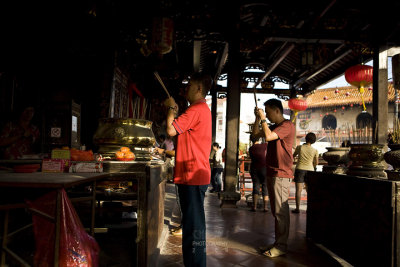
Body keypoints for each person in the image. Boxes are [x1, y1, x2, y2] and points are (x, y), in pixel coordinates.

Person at [163, 72, 212, 267]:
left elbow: (170, 130)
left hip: (193, 174)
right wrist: (174, 110)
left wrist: (170, 109)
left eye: (190, 85)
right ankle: (195, 263)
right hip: (195, 173)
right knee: (193, 225)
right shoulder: (201, 109)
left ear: (199, 88)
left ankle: (196, 264)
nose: (186, 89)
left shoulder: (196, 109)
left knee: (193, 227)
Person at [252, 98, 295, 258]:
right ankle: (278, 243)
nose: (268, 116)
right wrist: (258, 118)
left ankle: (282, 246)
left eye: (268, 112)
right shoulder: (275, 127)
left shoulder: (287, 125)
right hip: (272, 172)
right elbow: (255, 135)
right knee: (276, 211)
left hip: (281, 173)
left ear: (277, 110)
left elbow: (269, 137)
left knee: (280, 211)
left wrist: (263, 119)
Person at [292, 132, 318, 214]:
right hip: (310, 170)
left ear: (306, 138)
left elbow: (293, 156)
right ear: (314, 140)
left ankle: (297, 209)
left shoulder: (300, 147)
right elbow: (316, 163)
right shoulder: (315, 150)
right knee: (309, 190)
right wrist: (311, 165)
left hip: (300, 169)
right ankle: (308, 209)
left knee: (298, 190)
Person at [248, 135, 268, 212]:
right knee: (265, 187)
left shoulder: (251, 148)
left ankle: (254, 206)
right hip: (264, 168)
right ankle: (265, 207)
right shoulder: (264, 145)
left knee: (255, 186)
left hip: (254, 168)